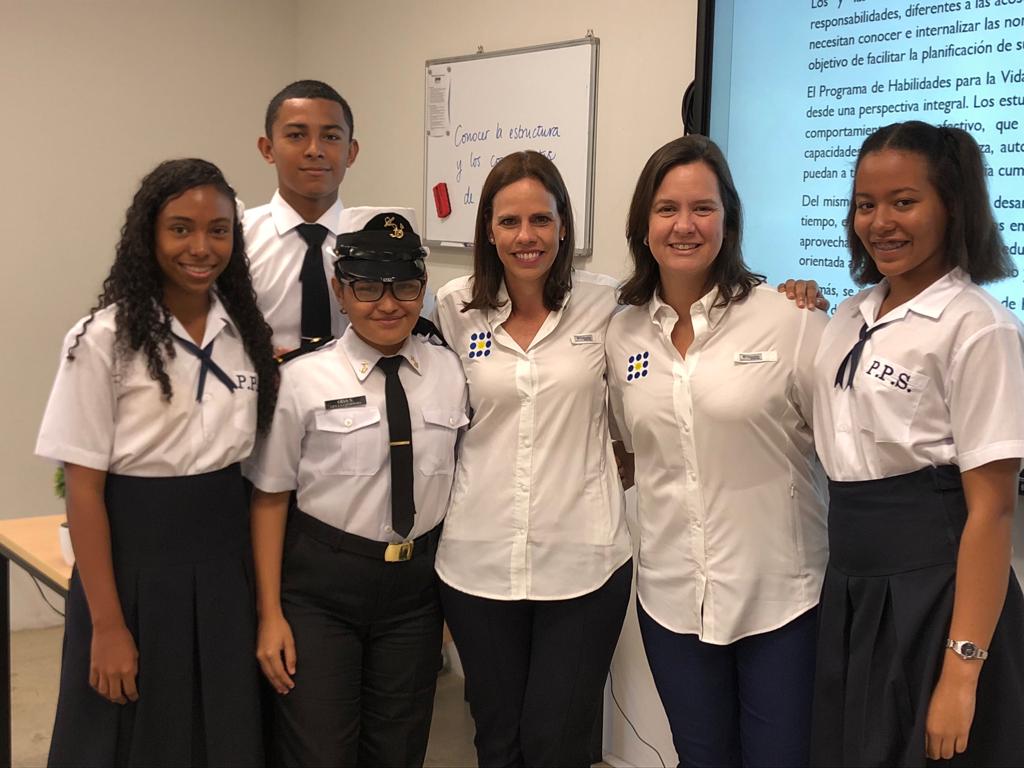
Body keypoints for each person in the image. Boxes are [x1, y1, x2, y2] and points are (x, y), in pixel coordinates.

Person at [36, 158, 276, 766]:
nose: (201, 247)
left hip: (225, 566)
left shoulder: (244, 333)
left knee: (219, 729)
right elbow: (83, 492)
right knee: (128, 734)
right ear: (149, 234)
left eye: (218, 230)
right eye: (180, 229)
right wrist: (107, 625)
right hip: (135, 569)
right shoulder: (101, 340)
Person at [604, 135, 828, 768]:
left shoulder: (788, 319)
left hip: (781, 600)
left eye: (702, 207)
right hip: (672, 599)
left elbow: (841, 449)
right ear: (643, 224)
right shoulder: (621, 332)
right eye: (667, 208)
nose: (685, 225)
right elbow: (633, 452)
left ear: (728, 220)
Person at [810, 120, 1024, 766]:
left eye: (904, 202)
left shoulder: (979, 327)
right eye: (865, 205)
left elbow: (993, 511)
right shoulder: (847, 315)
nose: (880, 223)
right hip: (852, 586)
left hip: (937, 595)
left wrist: (961, 672)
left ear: (952, 206)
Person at [247, 208, 468, 767]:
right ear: (339, 291)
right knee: (320, 750)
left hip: (415, 595)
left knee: (399, 749)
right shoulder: (301, 380)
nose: (388, 304)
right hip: (321, 593)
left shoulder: (450, 372)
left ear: (423, 288)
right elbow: (270, 498)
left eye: (405, 287)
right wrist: (269, 614)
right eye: (368, 287)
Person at [433, 151, 633, 768]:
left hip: (583, 562)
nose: (527, 236)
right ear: (489, 232)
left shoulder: (607, 305)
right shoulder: (452, 307)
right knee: (497, 739)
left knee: (559, 741)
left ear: (563, 225)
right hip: (478, 560)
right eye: (510, 222)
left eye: (541, 220)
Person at [245, 79, 360, 357]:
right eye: (296, 135)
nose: (314, 150)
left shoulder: (371, 240)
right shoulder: (236, 239)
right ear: (267, 149)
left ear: (351, 152)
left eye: (331, 137)